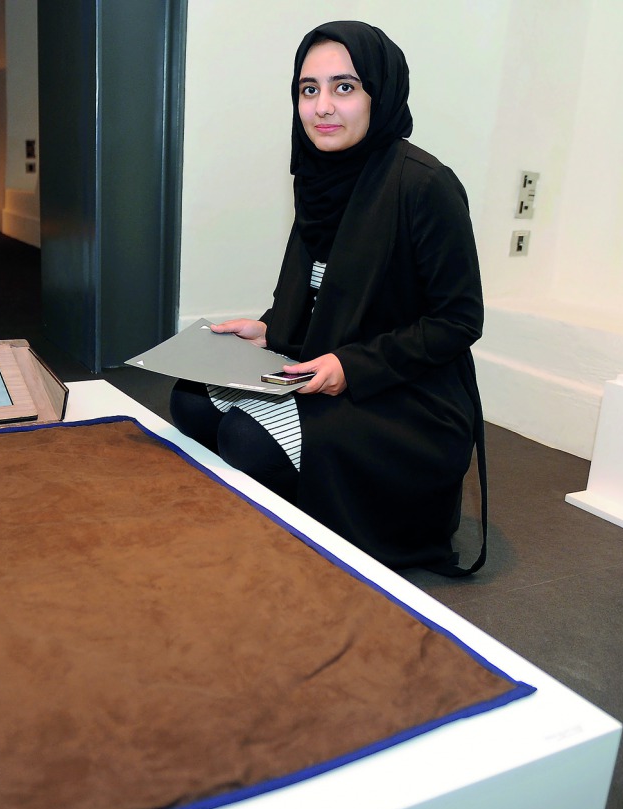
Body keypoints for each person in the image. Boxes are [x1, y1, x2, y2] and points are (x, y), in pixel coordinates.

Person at [170, 20, 487, 576]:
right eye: (308, 89)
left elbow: (458, 321)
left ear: (379, 94)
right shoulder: (318, 178)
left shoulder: (425, 186)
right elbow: (319, 289)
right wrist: (270, 331)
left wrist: (350, 365)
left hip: (406, 395)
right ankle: (274, 506)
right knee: (192, 398)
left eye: (345, 87)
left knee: (248, 435)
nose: (322, 107)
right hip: (327, 363)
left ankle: (309, 532)